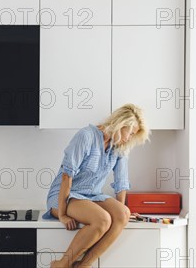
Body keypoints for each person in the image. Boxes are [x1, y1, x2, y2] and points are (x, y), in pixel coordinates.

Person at [43, 104, 150, 268]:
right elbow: (67, 175)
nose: (129, 138)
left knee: (124, 214)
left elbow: (121, 183)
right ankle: (62, 264)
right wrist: (63, 215)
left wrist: (120, 213)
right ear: (120, 124)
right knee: (102, 220)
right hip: (65, 195)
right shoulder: (86, 136)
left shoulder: (119, 147)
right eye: (130, 132)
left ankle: (84, 265)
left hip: (92, 196)